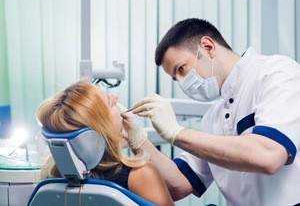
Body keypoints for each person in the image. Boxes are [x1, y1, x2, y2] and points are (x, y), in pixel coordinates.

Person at [120, 18, 300, 205]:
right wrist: (137, 139)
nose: (182, 82)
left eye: (182, 69)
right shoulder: (213, 118)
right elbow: (179, 185)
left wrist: (177, 133)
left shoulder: (277, 74)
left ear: (207, 47)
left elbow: (269, 155)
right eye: (176, 78)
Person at [36, 81, 174, 206]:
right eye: (110, 102)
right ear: (102, 126)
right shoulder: (141, 175)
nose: (116, 98)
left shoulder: (50, 177)